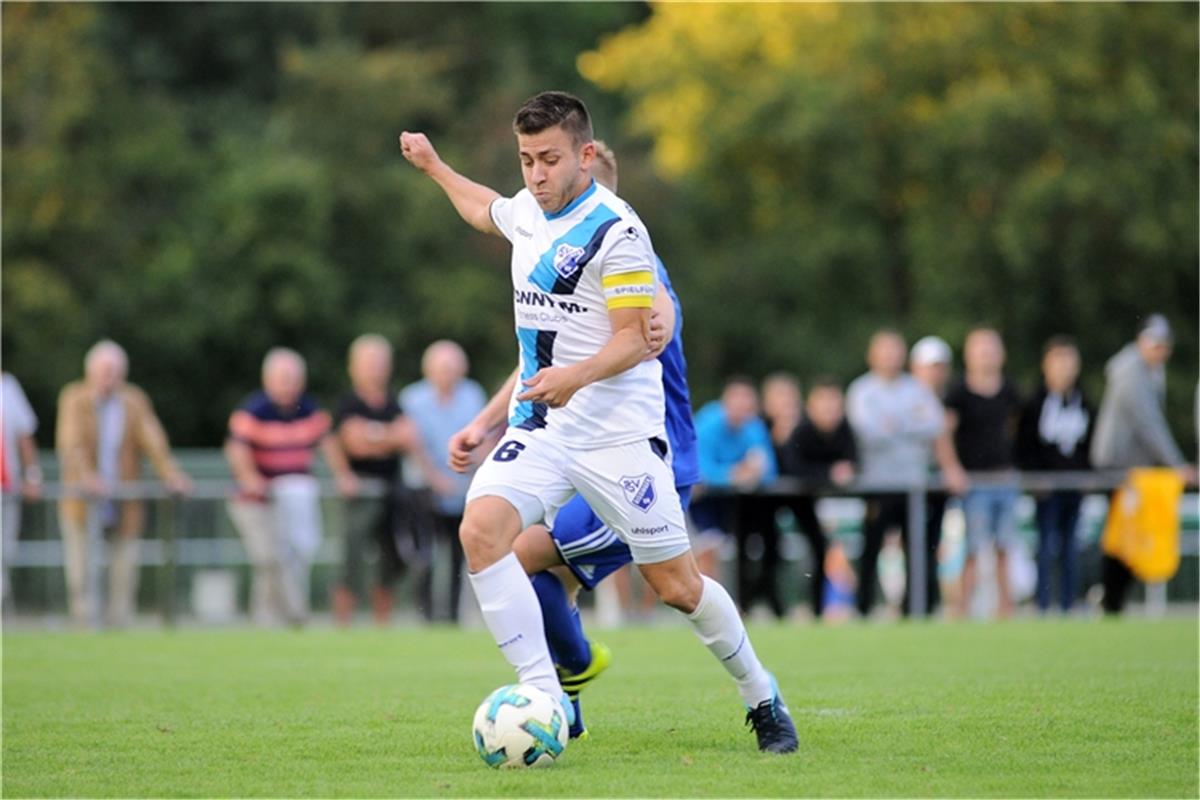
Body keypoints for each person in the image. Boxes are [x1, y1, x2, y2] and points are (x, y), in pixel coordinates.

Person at [400, 91, 797, 753]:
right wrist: (435, 167)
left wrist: (571, 378)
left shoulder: (618, 232)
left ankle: (762, 696)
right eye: (526, 160)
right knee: (483, 532)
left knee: (676, 586)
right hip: (544, 430)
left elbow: (637, 338)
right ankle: (545, 695)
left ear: (584, 155)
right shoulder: (528, 212)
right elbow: (481, 209)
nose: (535, 175)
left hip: (619, 440)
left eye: (549, 159)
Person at [496, 141, 699, 738]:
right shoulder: (566, 265)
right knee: (547, 580)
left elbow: (654, 319)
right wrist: (487, 422)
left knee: (526, 557)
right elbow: (542, 355)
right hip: (578, 450)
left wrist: (657, 319)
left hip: (646, 460)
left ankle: (576, 675)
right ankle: (565, 704)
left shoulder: (633, 259)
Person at [55, 340, 191, 627]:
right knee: (81, 568)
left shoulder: (133, 401)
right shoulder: (74, 398)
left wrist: (171, 475)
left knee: (125, 568)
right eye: (104, 371)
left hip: (124, 498)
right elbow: (71, 445)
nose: (110, 378)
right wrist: (87, 477)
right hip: (83, 501)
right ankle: (84, 624)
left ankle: (120, 624)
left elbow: (154, 442)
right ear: (89, 371)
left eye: (115, 372)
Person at [226, 348, 358, 627]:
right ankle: (281, 615)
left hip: (290, 498)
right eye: (283, 379)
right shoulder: (254, 410)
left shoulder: (308, 408)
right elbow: (236, 448)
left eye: (293, 379)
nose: (289, 386)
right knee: (269, 559)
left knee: (290, 557)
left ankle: (280, 617)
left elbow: (327, 442)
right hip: (258, 502)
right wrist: (250, 477)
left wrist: (343, 475)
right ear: (268, 379)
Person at [1090, 315, 1197, 614]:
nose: (1160, 351)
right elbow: (1149, 424)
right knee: (1122, 536)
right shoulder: (1131, 373)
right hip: (1120, 469)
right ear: (1141, 342)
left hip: (1135, 470)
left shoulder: (1150, 371)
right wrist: (1176, 464)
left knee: (1128, 534)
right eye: (1155, 344)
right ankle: (1109, 599)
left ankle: (1111, 599)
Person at [845, 329, 944, 618]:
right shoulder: (861, 391)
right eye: (884, 350)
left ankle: (917, 607)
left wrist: (894, 425)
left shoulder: (917, 389)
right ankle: (863, 607)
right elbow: (868, 431)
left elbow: (933, 424)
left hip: (913, 484)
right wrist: (909, 423)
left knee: (918, 548)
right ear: (872, 355)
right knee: (871, 547)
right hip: (877, 484)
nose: (890, 357)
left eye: (895, 350)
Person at [332, 334, 419, 626]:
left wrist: (372, 434)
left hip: (392, 491)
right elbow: (352, 443)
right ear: (353, 367)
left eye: (380, 363)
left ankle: (382, 623)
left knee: (389, 558)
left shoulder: (395, 403)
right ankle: (343, 623)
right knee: (352, 557)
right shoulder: (347, 404)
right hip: (360, 492)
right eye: (369, 363)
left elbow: (408, 438)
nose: (375, 369)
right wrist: (388, 436)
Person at [400, 339, 488, 623]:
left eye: (452, 368)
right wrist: (434, 478)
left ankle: (451, 615)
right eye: (442, 368)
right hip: (425, 489)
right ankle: (424, 613)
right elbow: (414, 445)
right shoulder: (412, 399)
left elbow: (483, 437)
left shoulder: (473, 395)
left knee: (457, 555)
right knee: (425, 554)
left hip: (463, 487)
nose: (447, 374)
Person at [945, 327, 1022, 618]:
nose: (986, 354)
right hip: (974, 482)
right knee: (973, 549)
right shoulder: (959, 391)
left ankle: (1005, 609)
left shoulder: (1009, 389)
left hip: (1005, 478)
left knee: (1005, 547)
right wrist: (953, 468)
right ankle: (962, 609)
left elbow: (1014, 427)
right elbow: (945, 432)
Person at [1015, 336, 1093, 614]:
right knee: (1047, 544)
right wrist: (1035, 477)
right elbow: (1024, 444)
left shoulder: (1083, 400)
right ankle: (1043, 603)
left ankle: (1069, 603)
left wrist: (1087, 475)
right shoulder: (1034, 402)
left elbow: (1089, 443)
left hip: (1074, 486)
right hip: (1046, 487)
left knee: (1072, 547)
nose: (1064, 367)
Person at [690, 377, 780, 616]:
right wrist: (734, 475)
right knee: (708, 549)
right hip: (700, 500)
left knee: (741, 547)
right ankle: (705, 608)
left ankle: (727, 606)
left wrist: (751, 473)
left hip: (735, 503)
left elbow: (768, 470)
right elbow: (700, 470)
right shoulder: (708, 422)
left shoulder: (754, 427)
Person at [776, 377, 858, 619]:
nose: (830, 412)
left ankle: (818, 608)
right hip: (787, 500)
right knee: (776, 549)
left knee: (821, 548)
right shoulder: (801, 430)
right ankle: (776, 606)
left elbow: (852, 462)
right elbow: (794, 467)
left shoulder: (845, 430)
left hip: (820, 502)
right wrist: (830, 473)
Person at [908, 335, 969, 616]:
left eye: (940, 366)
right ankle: (911, 604)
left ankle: (927, 605)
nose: (935, 372)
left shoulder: (952, 398)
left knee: (932, 546)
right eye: (930, 366)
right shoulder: (908, 397)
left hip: (937, 487)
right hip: (908, 484)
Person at [2, 372, 43, 613]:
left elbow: (25, 437)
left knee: (4, 552)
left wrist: (33, 476)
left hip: (7, 490)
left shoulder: (7, 388)